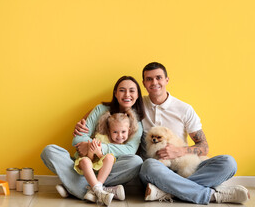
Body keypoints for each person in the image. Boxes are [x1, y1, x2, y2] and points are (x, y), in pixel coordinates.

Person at [74, 62, 250, 205]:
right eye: (149, 79)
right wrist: (83, 122)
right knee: (149, 165)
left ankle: (165, 191)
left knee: (228, 162)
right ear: (143, 84)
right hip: (155, 169)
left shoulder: (184, 109)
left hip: (183, 166)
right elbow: (109, 109)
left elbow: (204, 147)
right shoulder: (136, 105)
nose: (154, 82)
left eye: (158, 78)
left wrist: (180, 151)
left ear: (166, 79)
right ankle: (213, 196)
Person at [40, 76, 145, 201]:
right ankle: (101, 190)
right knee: (49, 151)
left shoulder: (137, 123)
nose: (127, 94)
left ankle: (77, 188)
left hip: (110, 168)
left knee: (136, 162)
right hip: (85, 164)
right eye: (122, 90)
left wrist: (96, 147)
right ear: (115, 93)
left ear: (138, 95)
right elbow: (77, 139)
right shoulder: (100, 110)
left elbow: (129, 150)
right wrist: (89, 147)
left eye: (132, 90)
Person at [74, 110, 139, 205]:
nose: (119, 136)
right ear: (109, 130)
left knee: (110, 157)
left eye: (123, 132)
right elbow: (91, 159)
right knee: (85, 161)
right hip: (90, 166)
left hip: (105, 172)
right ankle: (99, 191)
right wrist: (94, 152)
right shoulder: (101, 138)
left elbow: (108, 162)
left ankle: (94, 188)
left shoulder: (125, 146)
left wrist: (100, 153)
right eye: (115, 132)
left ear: (129, 130)